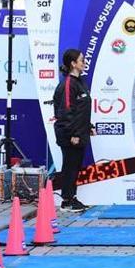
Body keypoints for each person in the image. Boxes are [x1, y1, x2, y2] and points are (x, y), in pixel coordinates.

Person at [52, 49, 94, 212]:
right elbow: (66, 112)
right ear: (73, 64)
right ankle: (67, 201)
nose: (84, 63)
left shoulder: (81, 82)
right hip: (70, 135)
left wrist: (88, 127)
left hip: (80, 132)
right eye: (81, 60)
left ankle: (71, 197)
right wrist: (73, 134)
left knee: (75, 166)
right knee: (70, 166)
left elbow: (82, 110)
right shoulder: (68, 84)